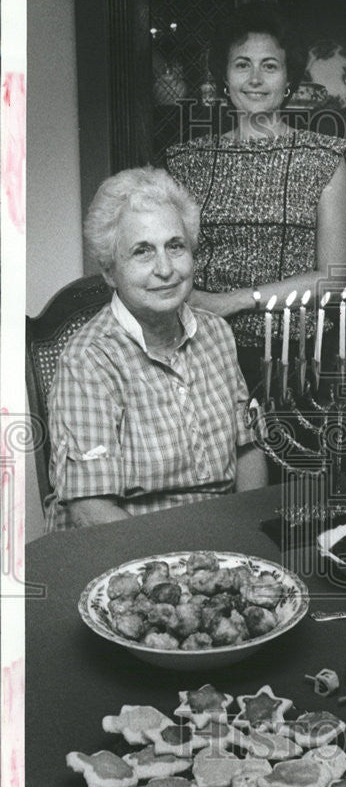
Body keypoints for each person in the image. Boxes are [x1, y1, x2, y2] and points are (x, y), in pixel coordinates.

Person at [44, 167, 266, 532]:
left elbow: (248, 448)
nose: (165, 269)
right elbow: (89, 510)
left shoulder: (217, 334)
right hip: (129, 544)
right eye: (142, 252)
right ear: (110, 271)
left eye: (175, 246)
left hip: (222, 534)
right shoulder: (88, 360)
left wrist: (247, 530)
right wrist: (184, 563)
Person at [166, 2, 346, 388]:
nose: (255, 78)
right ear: (224, 78)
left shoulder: (324, 158)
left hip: (298, 356)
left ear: (288, 80)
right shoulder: (186, 162)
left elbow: (333, 277)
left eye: (269, 65)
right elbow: (169, 262)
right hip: (203, 349)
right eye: (241, 64)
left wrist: (233, 300)